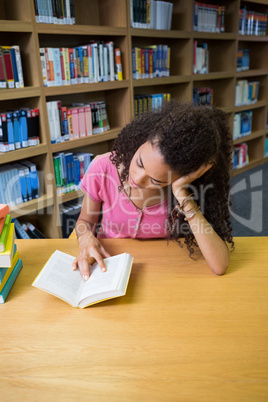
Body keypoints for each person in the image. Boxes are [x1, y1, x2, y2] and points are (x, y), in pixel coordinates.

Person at [72, 101, 234, 279]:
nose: (137, 178)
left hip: (165, 272)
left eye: (155, 180)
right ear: (143, 140)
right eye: (140, 163)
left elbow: (219, 265)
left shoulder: (188, 189)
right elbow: (84, 222)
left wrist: (182, 194)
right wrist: (85, 237)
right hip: (109, 266)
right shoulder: (103, 167)